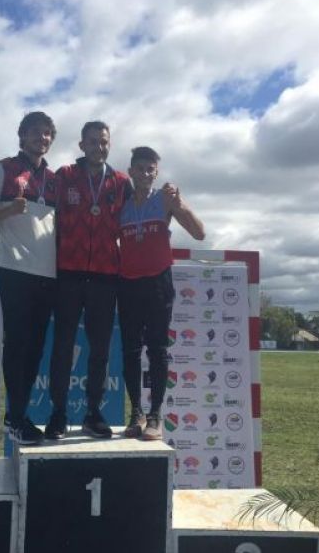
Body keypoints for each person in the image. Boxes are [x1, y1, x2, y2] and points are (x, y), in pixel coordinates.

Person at [0, 111, 57, 445]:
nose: (43, 138)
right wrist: (8, 210)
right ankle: (16, 417)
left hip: (48, 274)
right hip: (14, 269)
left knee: (35, 349)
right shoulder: (2, 168)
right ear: (21, 136)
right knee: (18, 345)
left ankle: (19, 416)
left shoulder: (55, 178)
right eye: (36, 132)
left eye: (48, 134)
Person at [45, 121, 132, 440]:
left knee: (100, 350)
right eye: (93, 141)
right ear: (82, 145)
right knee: (63, 347)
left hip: (106, 276)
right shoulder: (64, 175)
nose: (99, 146)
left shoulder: (122, 182)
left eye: (104, 141)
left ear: (110, 144)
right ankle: (58, 414)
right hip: (68, 273)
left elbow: (135, 219)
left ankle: (93, 413)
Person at [118, 146, 205, 441]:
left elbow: (199, 233)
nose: (145, 173)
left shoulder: (165, 199)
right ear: (130, 171)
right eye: (140, 168)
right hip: (128, 283)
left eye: (150, 169)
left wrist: (181, 206)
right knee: (130, 350)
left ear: (156, 172)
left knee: (157, 349)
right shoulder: (122, 204)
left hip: (158, 282)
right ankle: (136, 413)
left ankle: (155, 415)